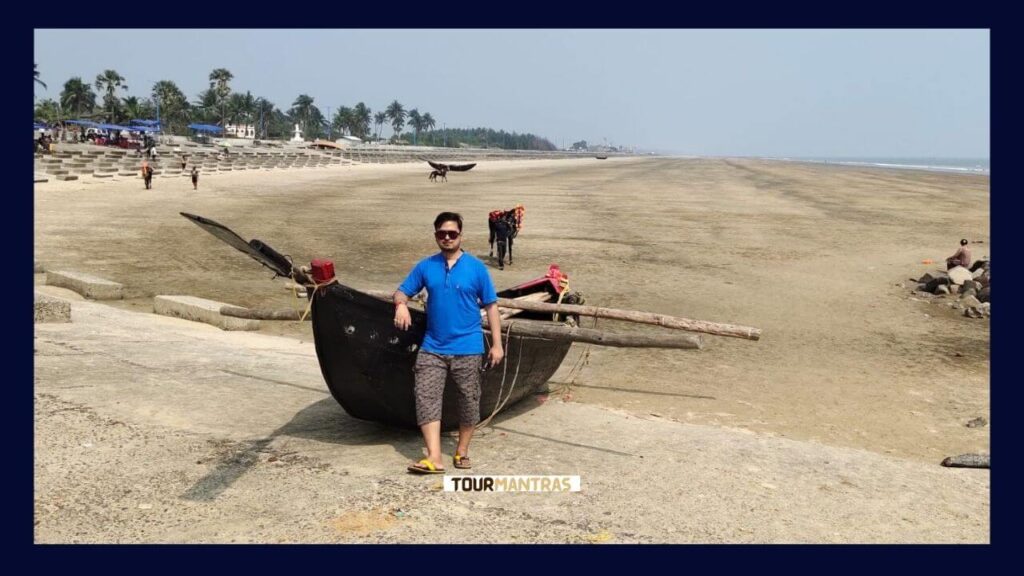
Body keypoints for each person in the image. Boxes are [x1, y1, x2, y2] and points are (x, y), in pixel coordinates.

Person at [394, 212, 504, 474]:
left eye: (451, 234)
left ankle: (462, 450)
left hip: (468, 347)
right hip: (432, 346)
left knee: (469, 400)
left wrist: (497, 345)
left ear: (460, 236)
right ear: (436, 236)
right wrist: (401, 305)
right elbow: (402, 290)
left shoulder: (476, 268)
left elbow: (491, 307)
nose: (446, 237)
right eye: (441, 233)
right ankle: (434, 457)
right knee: (426, 397)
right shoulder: (426, 266)